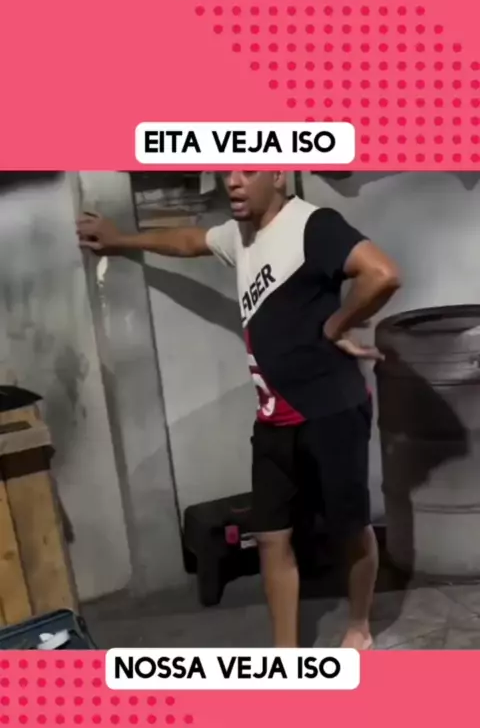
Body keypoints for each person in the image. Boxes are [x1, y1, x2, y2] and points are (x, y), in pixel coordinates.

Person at [77, 171, 401, 650]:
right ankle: (284, 656)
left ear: (278, 173)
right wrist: (121, 239)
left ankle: (358, 626)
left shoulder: (314, 225)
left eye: (247, 170)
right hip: (273, 418)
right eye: (226, 169)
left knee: (350, 531)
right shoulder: (239, 235)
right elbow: (189, 241)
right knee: (270, 537)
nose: (232, 180)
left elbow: (382, 273)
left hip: (331, 412)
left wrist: (336, 325)